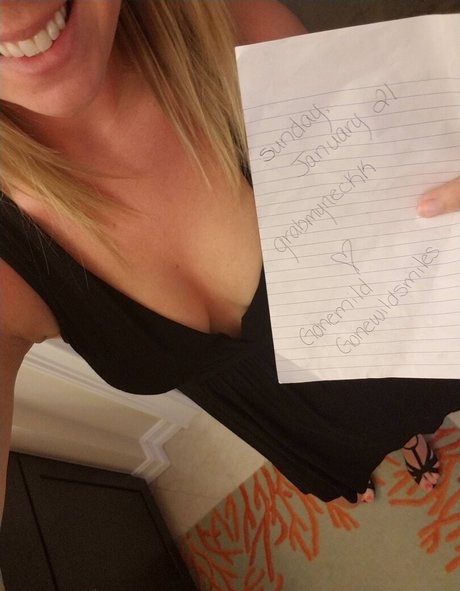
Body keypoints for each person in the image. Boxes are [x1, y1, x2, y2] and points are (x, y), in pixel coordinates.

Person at [0, 0, 459, 518]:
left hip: (381, 341)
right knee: (365, 442)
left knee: (409, 406)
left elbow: (390, 190)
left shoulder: (232, 26)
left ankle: (412, 432)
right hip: (285, 421)